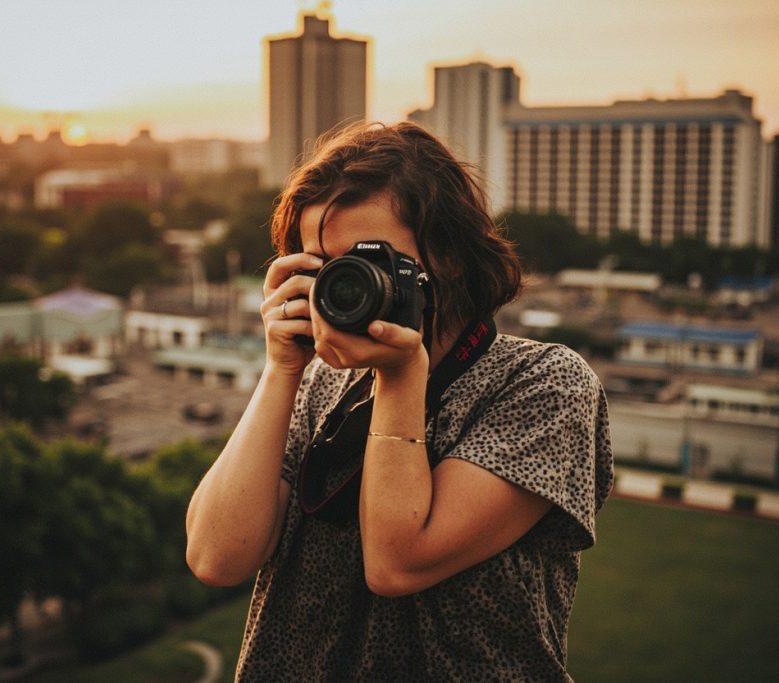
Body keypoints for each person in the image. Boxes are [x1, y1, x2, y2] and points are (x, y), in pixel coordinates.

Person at [185, 121, 613, 681]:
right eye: (323, 265)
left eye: (369, 258)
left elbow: (397, 563)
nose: (344, 283)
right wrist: (282, 369)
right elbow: (217, 557)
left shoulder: (544, 385)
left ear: (450, 254)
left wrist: (403, 374)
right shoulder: (322, 385)